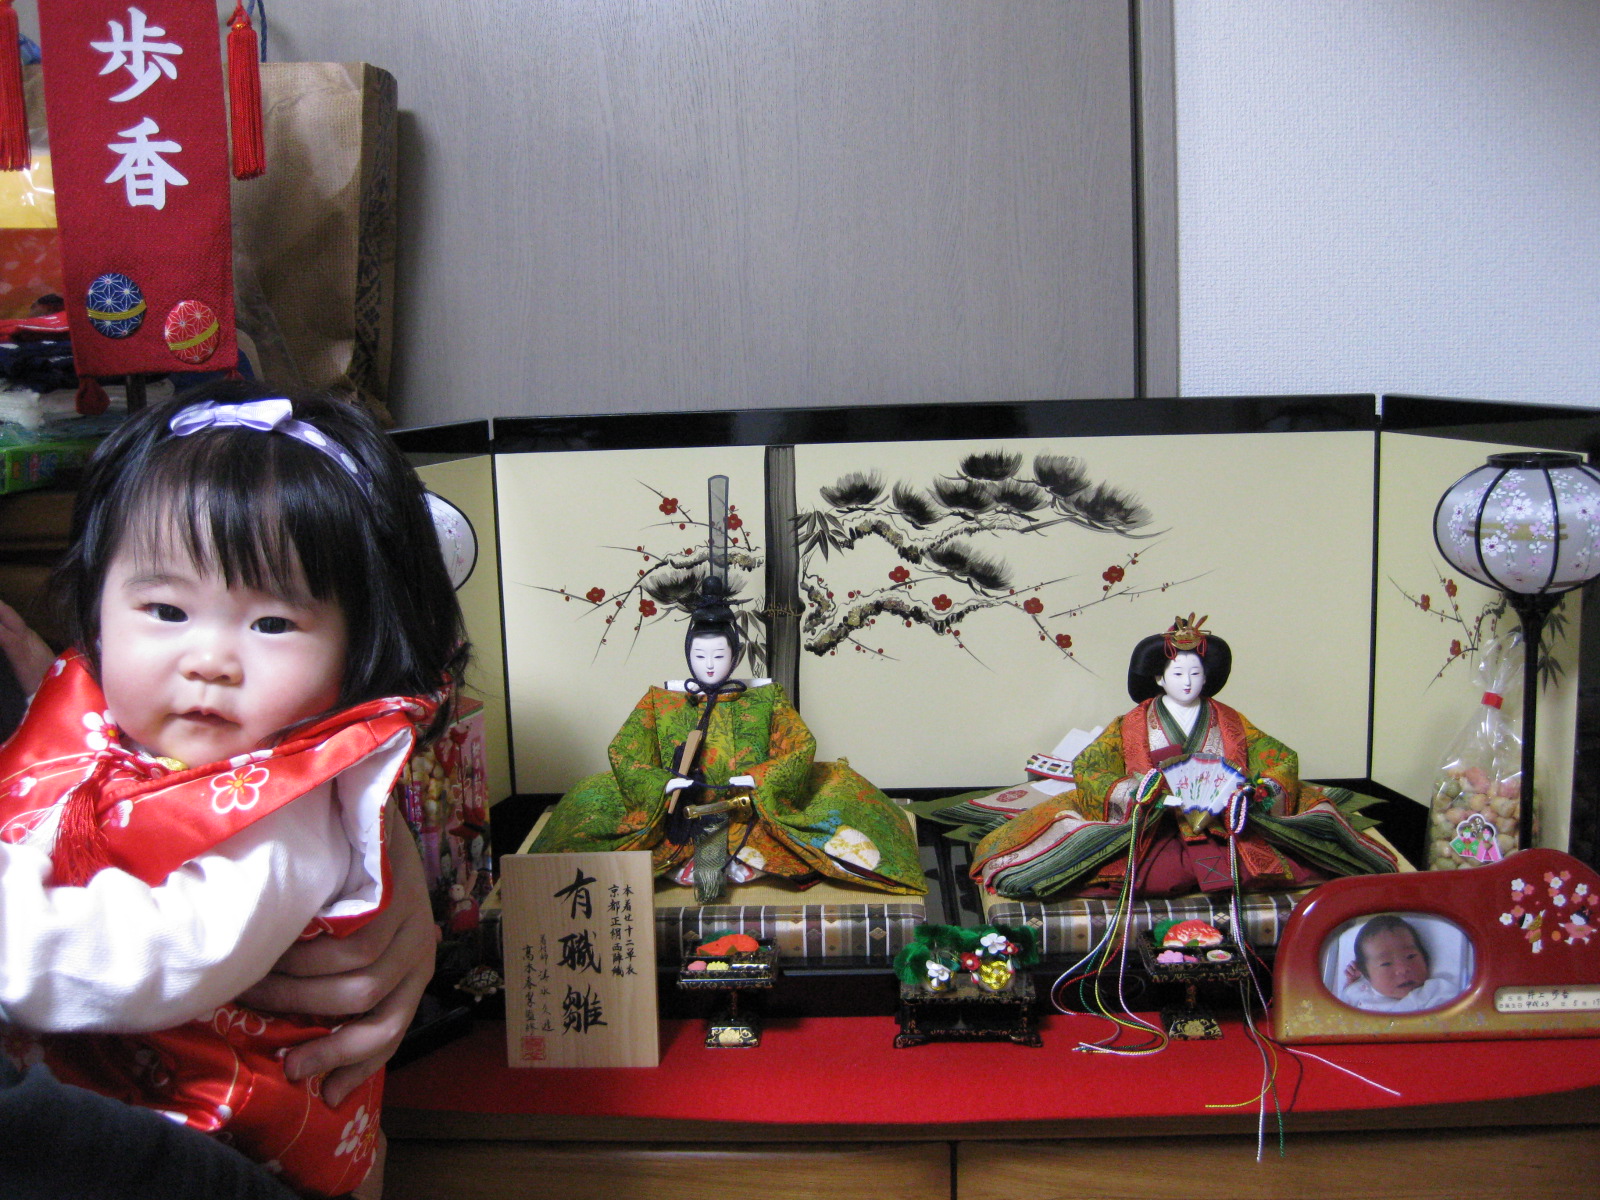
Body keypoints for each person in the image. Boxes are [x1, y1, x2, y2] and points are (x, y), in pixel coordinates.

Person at [0, 382, 467, 1197]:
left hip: (213, 1143)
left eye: (272, 624)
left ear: (359, 652)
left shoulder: (285, 813)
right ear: (98, 606)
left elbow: (161, 955)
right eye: (164, 610)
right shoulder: (102, 723)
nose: (211, 659)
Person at [531, 578, 924, 902]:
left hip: (750, 809)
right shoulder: (660, 700)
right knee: (586, 807)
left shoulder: (765, 697)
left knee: (842, 797)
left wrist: (758, 776)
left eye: (719, 656)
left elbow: (799, 744)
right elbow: (624, 749)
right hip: (678, 813)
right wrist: (662, 782)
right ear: (687, 653)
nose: (709, 666)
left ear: (734, 655)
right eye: (700, 656)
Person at [970, 616, 1397, 899]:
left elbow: (1279, 757)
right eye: (1177, 673)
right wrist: (1137, 791)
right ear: (1159, 677)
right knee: (1150, 877)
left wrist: (1256, 790)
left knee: (1271, 866)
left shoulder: (1230, 720)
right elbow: (1090, 767)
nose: (1188, 682)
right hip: (1155, 822)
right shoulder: (1132, 722)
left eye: (1196, 673)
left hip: (1224, 822)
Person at [1339, 914, 1460, 1013]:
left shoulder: (1432, 993)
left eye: (1411, 956)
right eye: (1386, 963)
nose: (1403, 969)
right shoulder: (1359, 991)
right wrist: (1351, 983)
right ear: (1366, 974)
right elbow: (1341, 1010)